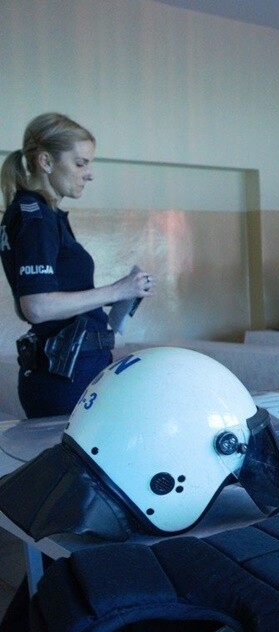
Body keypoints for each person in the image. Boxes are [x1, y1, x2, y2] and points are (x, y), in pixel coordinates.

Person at [0, 113, 154, 418]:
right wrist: (117, 290)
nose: (89, 174)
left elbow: (40, 302)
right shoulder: (35, 217)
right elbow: (37, 307)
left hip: (71, 367)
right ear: (46, 161)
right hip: (65, 375)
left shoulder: (42, 214)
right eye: (80, 163)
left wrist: (121, 295)